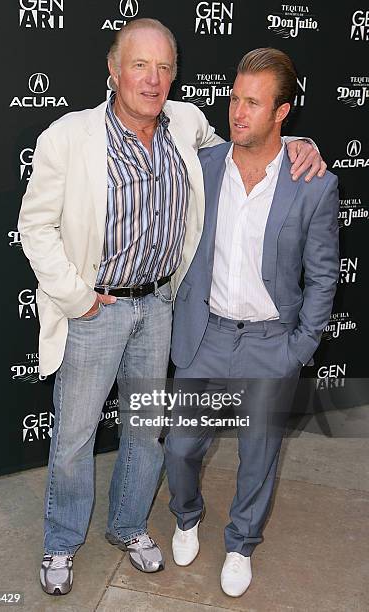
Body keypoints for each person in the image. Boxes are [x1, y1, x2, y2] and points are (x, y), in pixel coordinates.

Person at [18, 18, 325, 596]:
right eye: (140, 64)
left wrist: (298, 145)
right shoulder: (70, 134)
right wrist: (78, 299)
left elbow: (250, 151)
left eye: (164, 67)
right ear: (113, 70)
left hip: (160, 306)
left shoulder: (187, 125)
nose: (153, 79)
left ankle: (130, 527)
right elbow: (35, 226)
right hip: (95, 309)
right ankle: (61, 541)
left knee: (144, 433)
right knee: (76, 437)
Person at [165, 48, 339, 597]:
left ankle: (240, 543)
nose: (237, 112)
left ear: (282, 112)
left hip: (270, 344)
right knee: (179, 448)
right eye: (234, 99)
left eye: (253, 103)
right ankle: (186, 514)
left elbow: (323, 275)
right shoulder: (204, 165)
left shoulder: (313, 183)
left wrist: (299, 348)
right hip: (205, 338)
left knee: (258, 456)